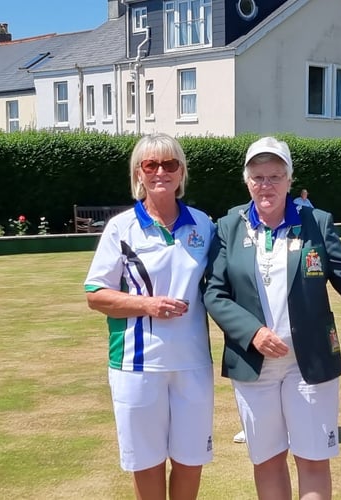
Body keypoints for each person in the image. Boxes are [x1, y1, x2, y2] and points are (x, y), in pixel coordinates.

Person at [204, 136, 341, 500]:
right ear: (247, 181)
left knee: (312, 459)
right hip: (254, 361)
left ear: (290, 181)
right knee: (267, 460)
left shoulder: (316, 222)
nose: (266, 185)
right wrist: (253, 332)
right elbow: (214, 291)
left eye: (275, 176)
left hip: (308, 362)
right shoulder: (229, 225)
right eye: (258, 177)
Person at [84, 133, 216, 500]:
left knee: (191, 459)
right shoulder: (120, 227)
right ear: (138, 172)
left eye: (169, 164)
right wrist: (147, 305)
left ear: (181, 172)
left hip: (192, 363)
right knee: (146, 461)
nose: (161, 171)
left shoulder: (204, 225)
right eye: (151, 164)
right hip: (136, 364)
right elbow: (95, 294)